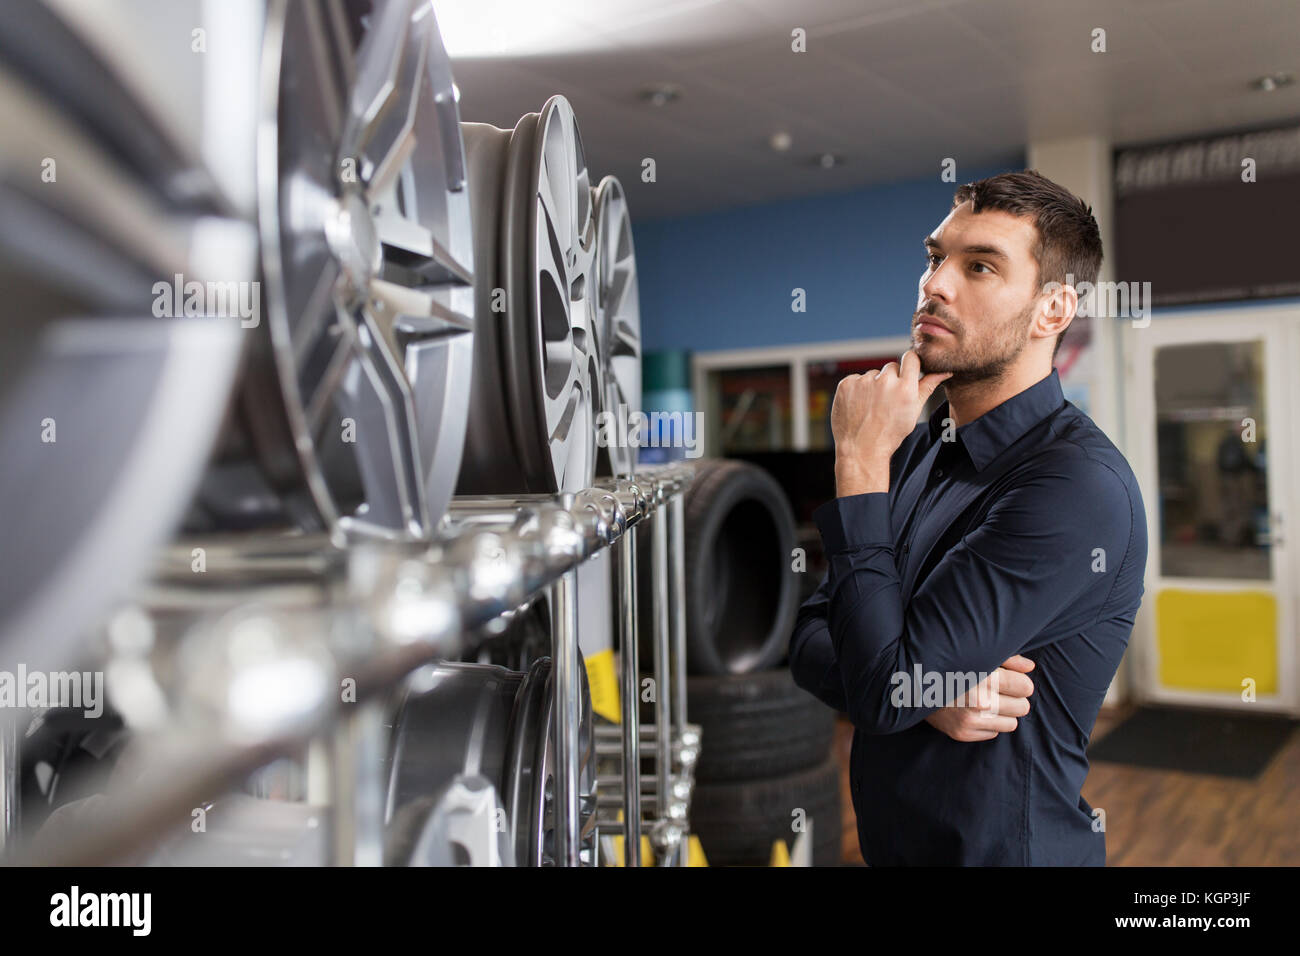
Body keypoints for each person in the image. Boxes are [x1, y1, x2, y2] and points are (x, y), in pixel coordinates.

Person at [789, 170, 1147, 865]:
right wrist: (922, 691)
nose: (936, 285)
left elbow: (883, 686)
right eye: (935, 258)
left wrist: (858, 465)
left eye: (979, 265)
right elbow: (809, 635)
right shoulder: (923, 448)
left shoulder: (1073, 486)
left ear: (1052, 310)